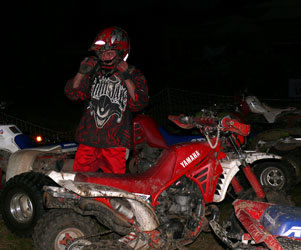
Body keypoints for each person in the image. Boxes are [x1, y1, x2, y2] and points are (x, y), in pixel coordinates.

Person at [65, 26, 149, 174]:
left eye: (109, 53)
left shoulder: (134, 74)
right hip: (88, 141)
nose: (104, 57)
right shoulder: (93, 71)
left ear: (121, 53)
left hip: (115, 144)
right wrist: (80, 72)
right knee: (80, 183)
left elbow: (138, 104)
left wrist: (126, 77)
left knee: (113, 187)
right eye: (102, 53)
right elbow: (73, 94)